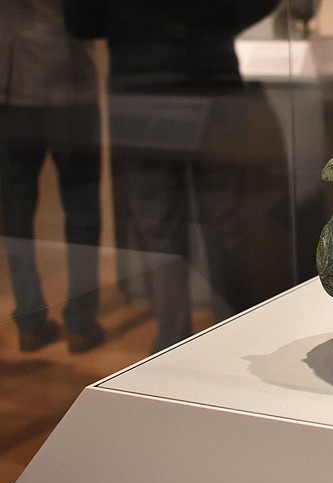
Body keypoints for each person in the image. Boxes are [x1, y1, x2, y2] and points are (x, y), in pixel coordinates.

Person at [65, 0, 292, 353]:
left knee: (169, 228)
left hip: (145, 85)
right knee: (221, 222)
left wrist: (139, 21)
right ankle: (227, 338)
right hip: (203, 79)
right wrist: (210, 20)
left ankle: (177, 340)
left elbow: (81, 19)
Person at [0, 0, 104, 353]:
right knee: (81, 209)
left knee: (16, 211)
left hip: (11, 84)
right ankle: (80, 323)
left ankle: (29, 322)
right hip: (67, 82)